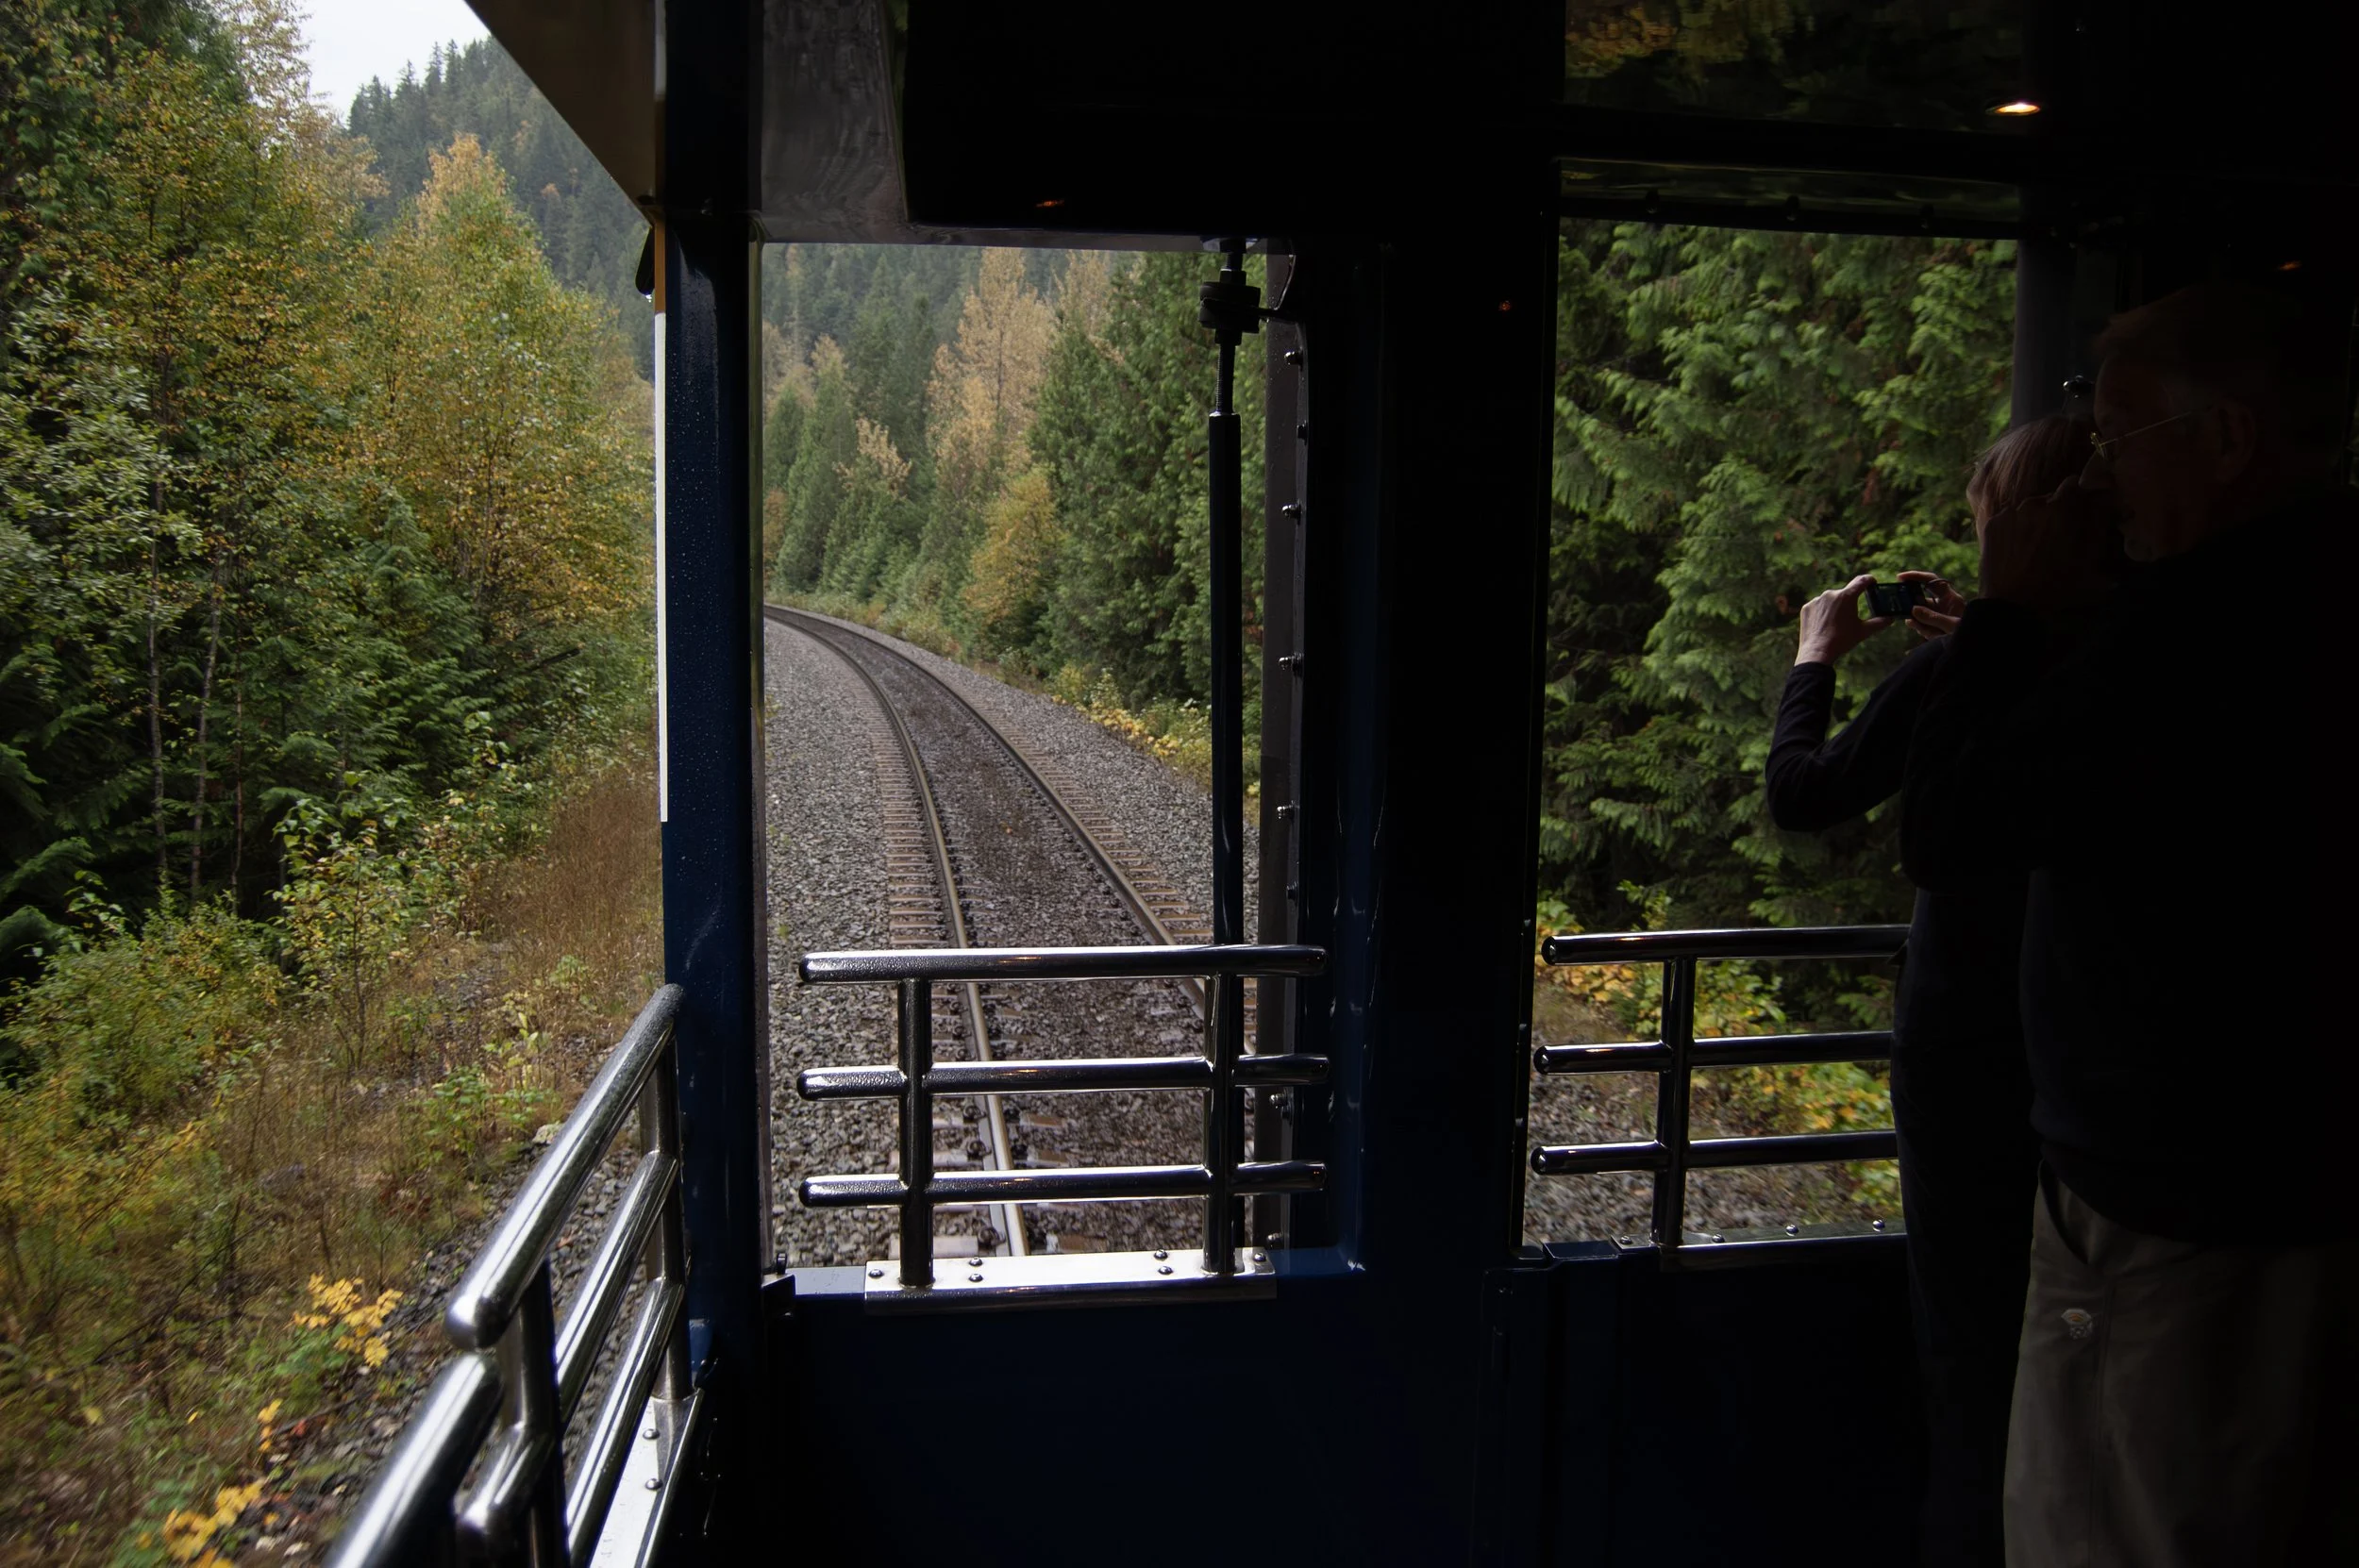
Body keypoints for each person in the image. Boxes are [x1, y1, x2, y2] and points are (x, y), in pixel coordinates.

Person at [1901, 283, 2356, 1566]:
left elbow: (1944, 829)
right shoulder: (2296, 601)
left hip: (2171, 1211)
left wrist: (2002, 610)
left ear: (2223, 441)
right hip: (2263, 1186)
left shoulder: (2194, 636)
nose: (2097, 480)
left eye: (2118, 438)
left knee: (2121, 1519)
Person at [1765, 413, 2090, 1568]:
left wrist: (1814, 658)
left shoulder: (1958, 675)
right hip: (2105, 1089)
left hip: (1970, 1066)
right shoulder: (2130, 656)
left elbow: (1803, 794)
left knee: (1971, 1351)